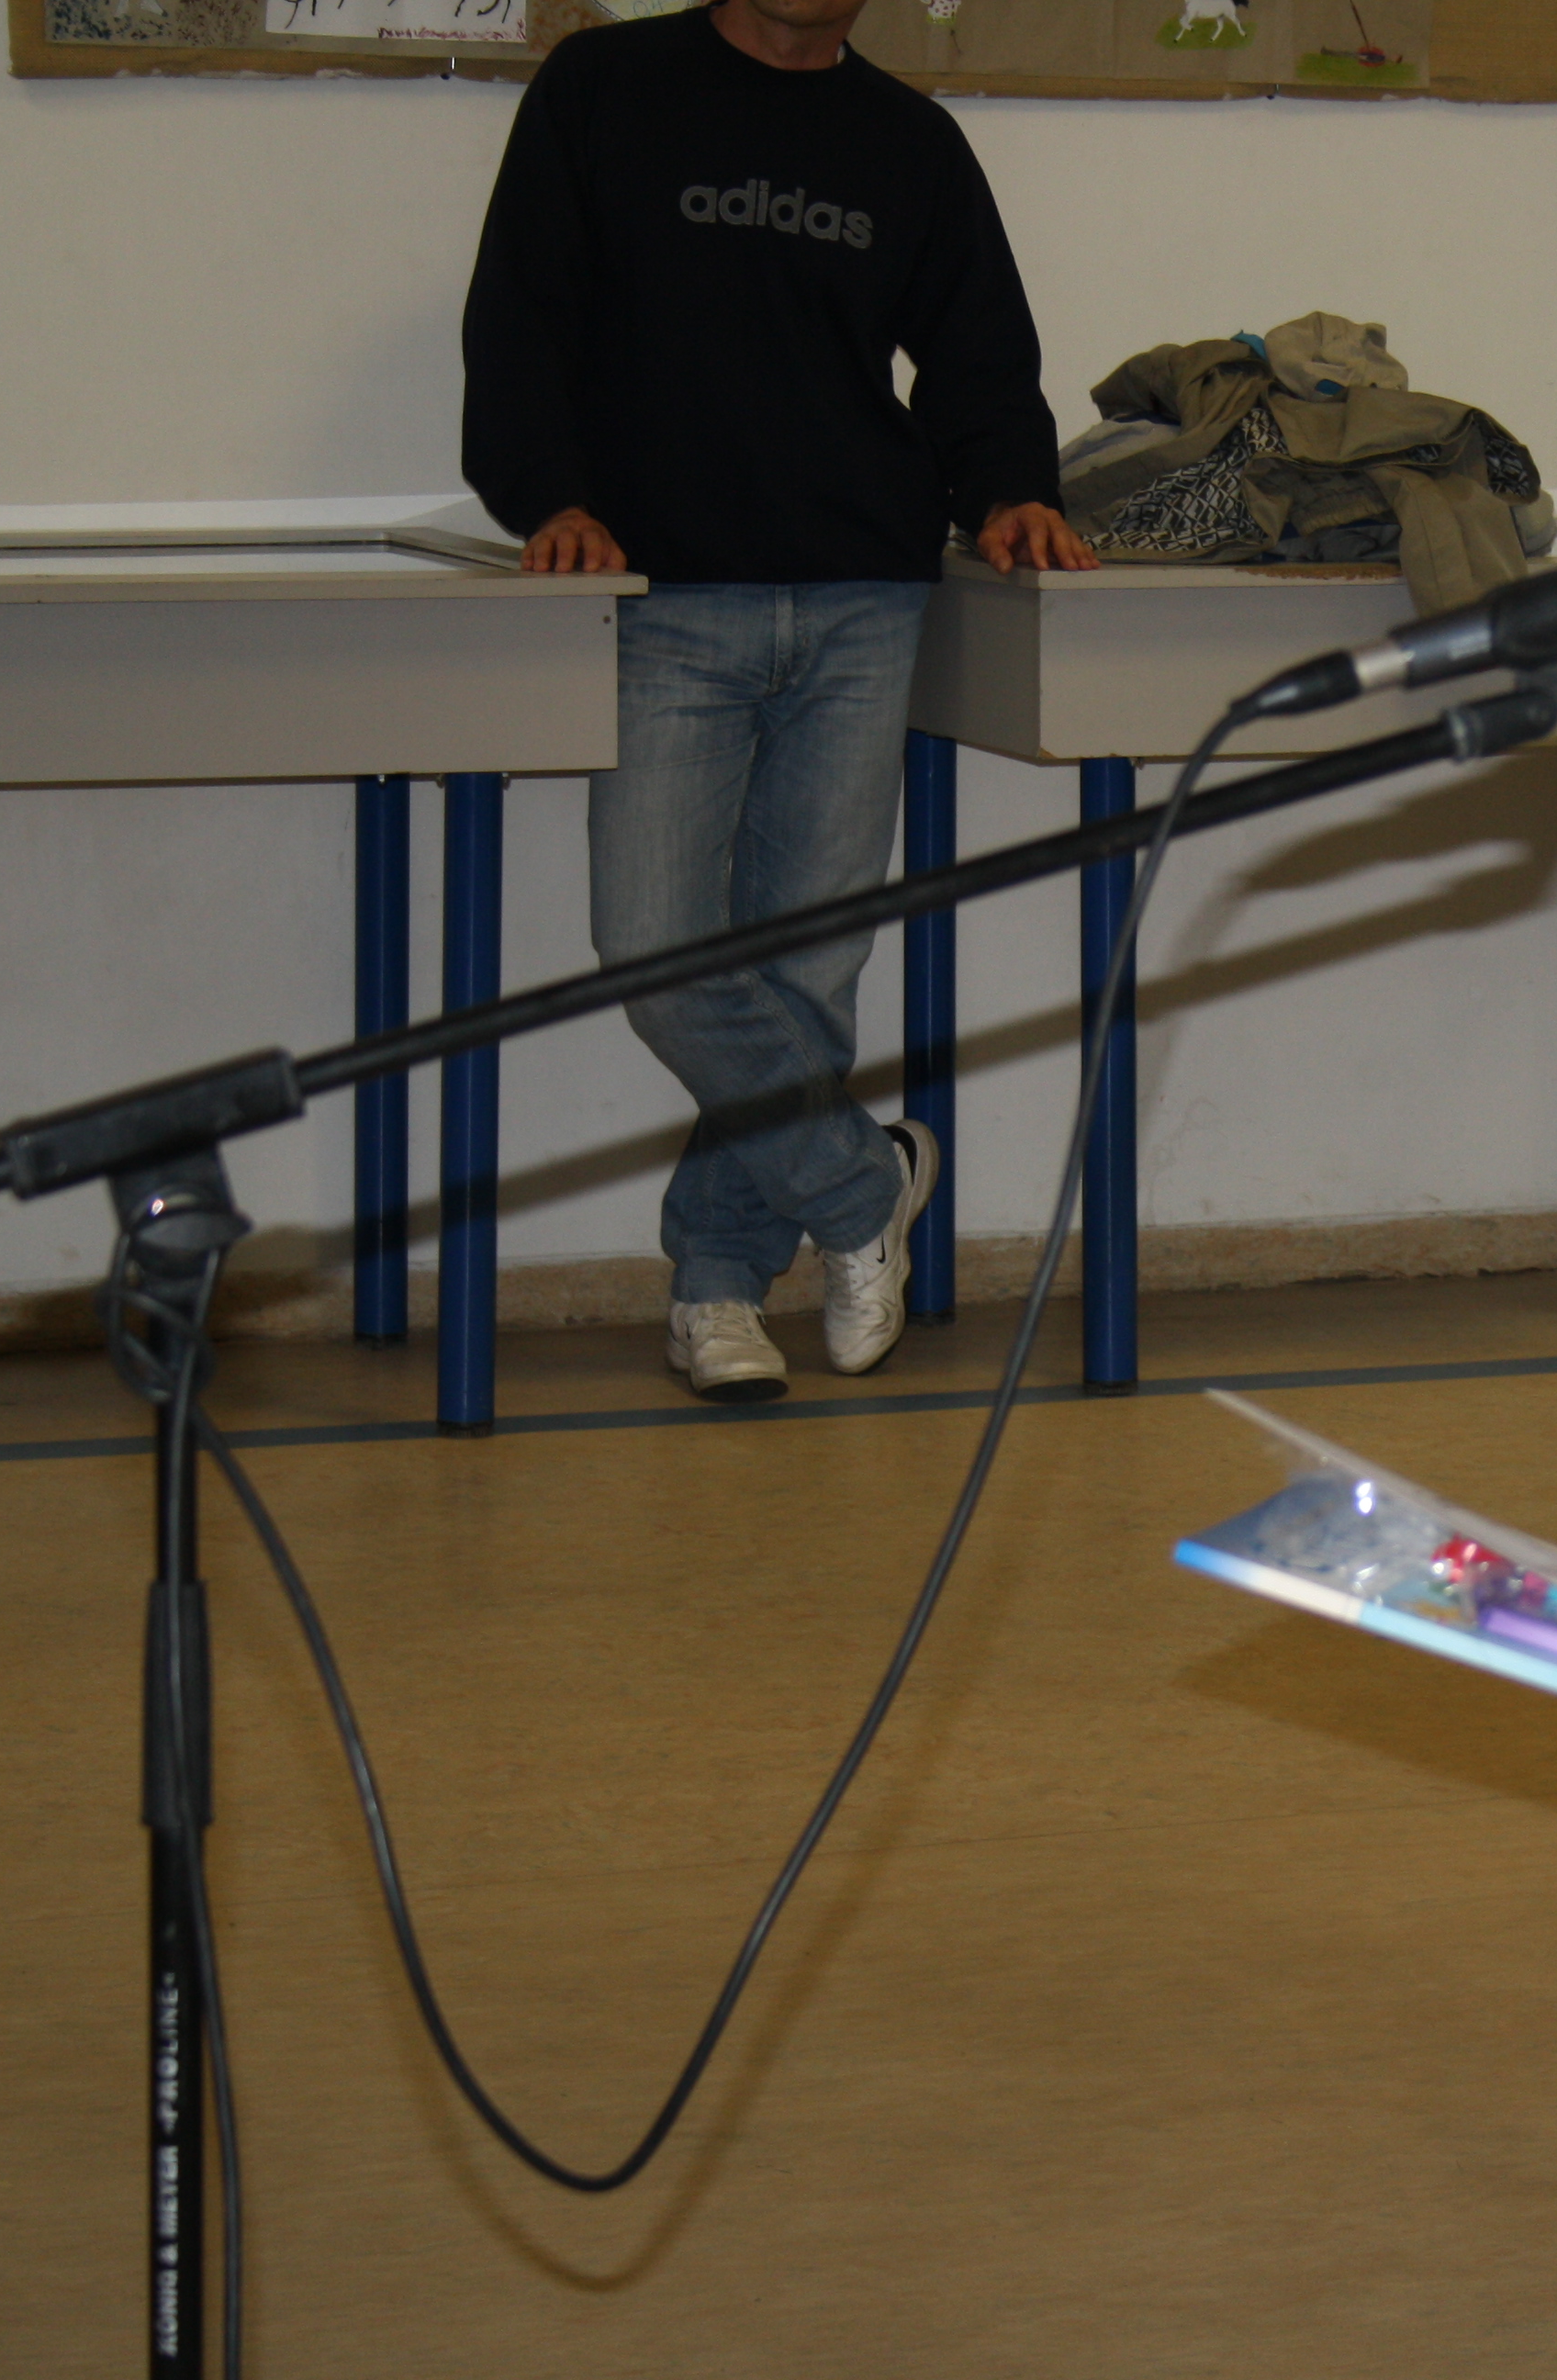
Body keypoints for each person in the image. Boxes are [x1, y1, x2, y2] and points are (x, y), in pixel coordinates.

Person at [461, 0, 1094, 1403]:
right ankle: (865, 1182)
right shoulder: (604, 88)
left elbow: (983, 357)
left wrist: (1011, 489)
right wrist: (550, 495)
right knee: (654, 948)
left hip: (864, 597)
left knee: (805, 971)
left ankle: (718, 1283)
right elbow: (519, 317)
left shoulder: (909, 143)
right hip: (664, 597)